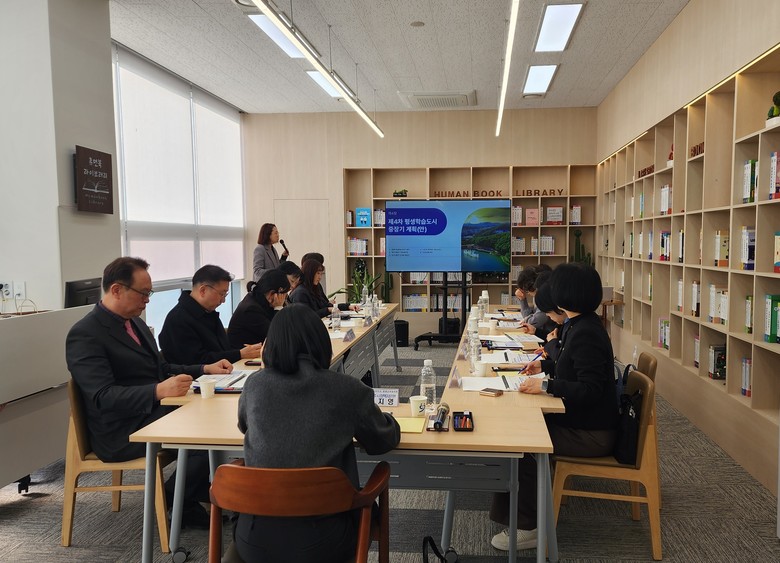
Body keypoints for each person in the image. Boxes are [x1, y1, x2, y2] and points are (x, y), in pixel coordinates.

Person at [65, 257, 233, 528]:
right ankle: (176, 498)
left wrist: (204, 368)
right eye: (143, 293)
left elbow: (161, 368)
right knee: (205, 428)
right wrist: (157, 391)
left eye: (149, 293)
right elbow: (103, 396)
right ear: (117, 290)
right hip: (121, 429)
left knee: (212, 415)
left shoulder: (135, 323)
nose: (147, 300)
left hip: (150, 412)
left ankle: (186, 494)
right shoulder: (85, 334)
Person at [235, 305, 400, 562]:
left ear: (269, 347)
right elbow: (382, 440)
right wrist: (390, 419)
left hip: (253, 539)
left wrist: (264, 370)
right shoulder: (346, 388)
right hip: (324, 542)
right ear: (321, 342)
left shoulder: (255, 385)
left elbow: (245, 426)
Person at [489, 263, 618, 551]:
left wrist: (547, 385)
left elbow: (590, 390)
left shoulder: (585, 332)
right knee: (520, 429)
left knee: (523, 443)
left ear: (566, 294)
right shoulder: (579, 324)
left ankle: (530, 527)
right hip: (582, 421)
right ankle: (521, 515)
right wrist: (543, 366)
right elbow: (569, 367)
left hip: (592, 434)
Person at [159, 265, 263, 365]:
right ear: (203, 290)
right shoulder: (178, 319)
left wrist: (244, 351)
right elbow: (196, 361)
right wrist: (239, 354)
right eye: (221, 294)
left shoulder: (208, 312)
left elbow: (223, 350)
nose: (223, 300)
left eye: (225, 294)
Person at [227, 269, 290, 349]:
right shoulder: (251, 309)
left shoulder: (257, 299)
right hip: (245, 356)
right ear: (272, 294)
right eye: (284, 295)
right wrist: (278, 307)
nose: (284, 299)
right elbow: (279, 336)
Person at [289, 259, 358, 318]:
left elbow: (326, 305)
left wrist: (348, 306)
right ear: (310, 273)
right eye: (318, 273)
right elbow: (308, 316)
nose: (320, 277)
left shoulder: (314, 287)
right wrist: (328, 310)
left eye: (321, 274)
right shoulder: (300, 293)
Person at [514, 264, 556, 339]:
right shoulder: (538, 296)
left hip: (548, 337)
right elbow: (530, 317)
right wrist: (522, 299)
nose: (528, 293)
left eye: (527, 290)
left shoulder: (546, 298)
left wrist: (527, 319)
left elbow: (533, 322)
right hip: (543, 335)